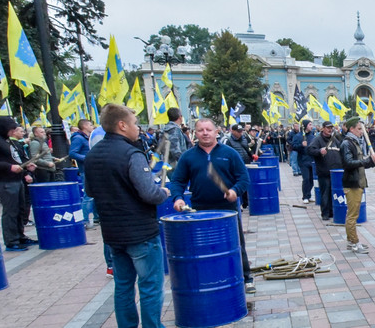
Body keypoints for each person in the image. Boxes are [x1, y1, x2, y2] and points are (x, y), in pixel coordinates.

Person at [84, 104, 169, 328]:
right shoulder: (132, 153)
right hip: (140, 233)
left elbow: (90, 191)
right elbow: (149, 193)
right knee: (150, 286)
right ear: (122, 125)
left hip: (113, 234)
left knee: (122, 286)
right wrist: (164, 192)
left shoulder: (92, 155)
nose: (138, 129)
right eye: (134, 123)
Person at [169, 118, 255, 293]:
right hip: (199, 210)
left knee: (236, 245)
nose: (205, 133)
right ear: (195, 133)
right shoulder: (188, 156)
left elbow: (243, 178)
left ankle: (246, 278)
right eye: (201, 130)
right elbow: (177, 180)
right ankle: (208, 279)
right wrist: (177, 198)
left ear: (217, 132)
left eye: (208, 129)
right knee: (203, 248)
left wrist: (234, 191)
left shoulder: (229, 153)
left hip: (227, 209)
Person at [0, 117, 36, 251]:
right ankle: (11, 241)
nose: (14, 131)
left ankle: (20, 236)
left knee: (20, 209)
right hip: (4, 180)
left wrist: (25, 167)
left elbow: (14, 158)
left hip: (16, 179)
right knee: (11, 211)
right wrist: (9, 167)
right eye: (12, 129)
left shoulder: (9, 141)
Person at [340, 116, 375, 254]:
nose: (362, 132)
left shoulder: (354, 142)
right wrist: (367, 161)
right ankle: (353, 243)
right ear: (352, 129)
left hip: (358, 182)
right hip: (352, 184)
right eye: (359, 129)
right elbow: (348, 163)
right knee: (352, 215)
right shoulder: (347, 144)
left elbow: (361, 164)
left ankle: (352, 241)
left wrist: (372, 161)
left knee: (353, 214)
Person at [307, 121, 341, 220]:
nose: (330, 130)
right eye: (327, 128)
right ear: (323, 128)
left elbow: (341, 148)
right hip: (324, 171)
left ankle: (331, 212)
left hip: (335, 172)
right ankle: (325, 213)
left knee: (333, 193)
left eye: (331, 128)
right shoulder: (317, 139)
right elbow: (310, 150)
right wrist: (319, 151)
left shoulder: (334, 139)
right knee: (325, 193)